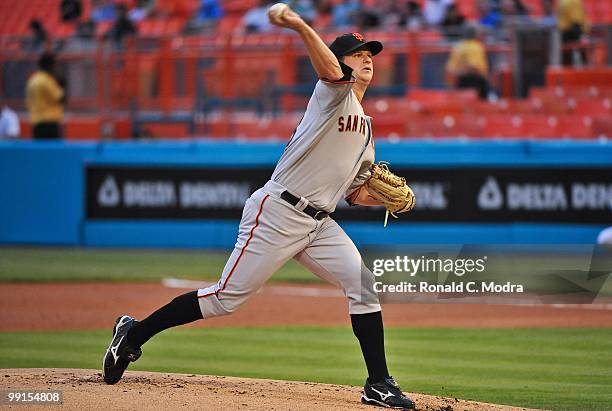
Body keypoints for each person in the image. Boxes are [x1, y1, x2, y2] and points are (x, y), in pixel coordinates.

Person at [102, 5, 416, 410]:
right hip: (277, 212)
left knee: (363, 285)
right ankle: (133, 334)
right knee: (225, 299)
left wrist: (393, 200)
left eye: (370, 53)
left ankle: (379, 383)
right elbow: (327, 70)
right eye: (358, 54)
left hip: (319, 223)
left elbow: (355, 193)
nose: (367, 58)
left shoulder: (367, 129)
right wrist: (302, 26)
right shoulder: (332, 95)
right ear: (340, 62)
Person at [25, 53, 65, 139]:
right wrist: (62, 86)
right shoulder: (47, 80)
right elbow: (60, 98)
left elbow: (28, 102)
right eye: (55, 65)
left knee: (39, 150)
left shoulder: (32, 80)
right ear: (50, 65)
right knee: (53, 151)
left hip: (36, 122)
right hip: (50, 123)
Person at [445, 25, 490, 99]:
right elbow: (473, 67)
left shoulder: (458, 47)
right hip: (475, 83)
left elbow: (450, 69)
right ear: (475, 35)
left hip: (460, 82)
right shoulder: (475, 47)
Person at [557, 0, 588, 66]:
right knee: (568, 56)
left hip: (570, 31)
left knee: (569, 56)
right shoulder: (571, 1)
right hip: (569, 31)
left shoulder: (571, 1)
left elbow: (576, 21)